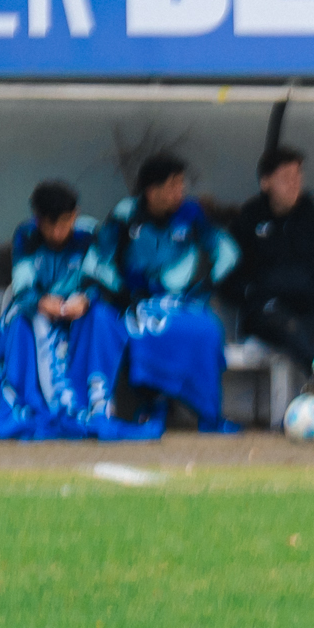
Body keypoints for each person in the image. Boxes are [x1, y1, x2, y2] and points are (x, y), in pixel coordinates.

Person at [0, 180, 152, 442]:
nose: (58, 231)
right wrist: (41, 302)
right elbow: (23, 286)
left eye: (65, 222)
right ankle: (30, 406)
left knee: (102, 317)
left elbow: (106, 282)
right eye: (50, 225)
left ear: (75, 215)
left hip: (79, 316)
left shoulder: (90, 234)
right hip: (38, 311)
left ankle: (92, 406)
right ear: (38, 220)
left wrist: (85, 299)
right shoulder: (26, 235)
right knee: (19, 322)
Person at [95, 152, 242, 432]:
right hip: (135, 304)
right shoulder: (126, 214)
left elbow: (227, 253)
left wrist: (204, 285)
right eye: (173, 185)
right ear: (152, 191)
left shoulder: (192, 214)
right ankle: (152, 405)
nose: (180, 191)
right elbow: (101, 262)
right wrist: (123, 294)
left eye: (181, 184)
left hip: (181, 303)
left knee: (208, 330)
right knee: (146, 328)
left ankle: (207, 414)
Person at [230, 144, 314, 391]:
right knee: (284, 322)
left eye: (298, 176)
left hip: (313, 309)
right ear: (266, 182)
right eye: (285, 178)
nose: (294, 183)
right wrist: (254, 291)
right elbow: (229, 279)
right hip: (266, 313)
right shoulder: (247, 222)